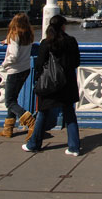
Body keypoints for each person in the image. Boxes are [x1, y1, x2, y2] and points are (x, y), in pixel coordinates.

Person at [22, 15, 81, 156]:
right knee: (70, 115)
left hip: (49, 84)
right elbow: (76, 62)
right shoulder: (71, 41)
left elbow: (39, 64)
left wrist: (38, 80)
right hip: (67, 84)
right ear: (63, 26)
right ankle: (74, 147)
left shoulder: (46, 43)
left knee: (43, 113)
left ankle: (34, 144)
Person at [0, 13, 36, 140]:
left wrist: (4, 64)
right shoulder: (28, 35)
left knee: (9, 101)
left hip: (14, 71)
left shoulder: (15, 35)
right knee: (13, 99)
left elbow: (13, 55)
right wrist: (8, 41)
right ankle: (8, 129)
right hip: (25, 70)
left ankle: (30, 121)